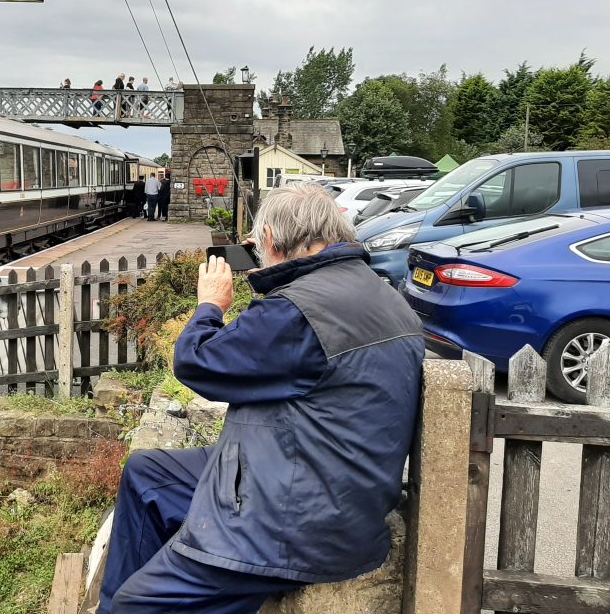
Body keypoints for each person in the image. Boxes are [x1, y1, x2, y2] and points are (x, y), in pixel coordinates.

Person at [97, 183, 425, 614]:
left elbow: (199, 364)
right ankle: (131, 591)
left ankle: (131, 601)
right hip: (324, 482)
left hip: (294, 522)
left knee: (135, 607)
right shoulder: (373, 291)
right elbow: (285, 356)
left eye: (260, 246)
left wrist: (210, 305)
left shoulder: (298, 312)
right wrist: (269, 280)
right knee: (147, 474)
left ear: (269, 239)